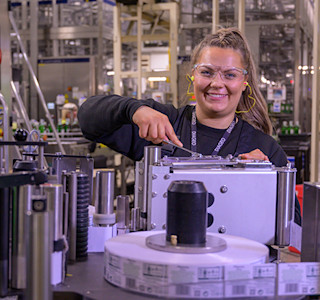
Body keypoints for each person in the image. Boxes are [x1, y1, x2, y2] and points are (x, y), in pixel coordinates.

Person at [78, 27, 300, 224]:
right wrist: (134, 109)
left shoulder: (264, 150)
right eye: (206, 72)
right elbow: (88, 119)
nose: (217, 83)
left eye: (230, 75)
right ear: (192, 75)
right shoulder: (164, 124)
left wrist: (265, 182)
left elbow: (293, 230)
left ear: (244, 82)